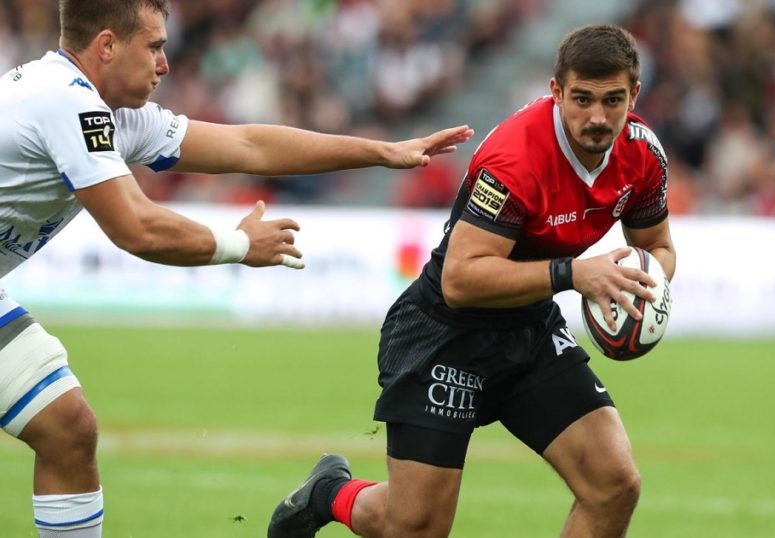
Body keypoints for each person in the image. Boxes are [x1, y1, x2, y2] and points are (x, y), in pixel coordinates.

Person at [0, 1, 473, 536]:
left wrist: (381, 151)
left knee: (68, 428)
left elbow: (248, 145)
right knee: (66, 426)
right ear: (107, 45)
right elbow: (137, 227)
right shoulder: (65, 102)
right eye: (154, 47)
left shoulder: (108, 113)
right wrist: (239, 244)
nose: (165, 65)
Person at [269, 24, 676, 538]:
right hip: (446, 335)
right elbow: (460, 281)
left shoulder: (642, 154)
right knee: (415, 526)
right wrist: (573, 274)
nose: (597, 116)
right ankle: (328, 492)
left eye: (613, 100)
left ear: (634, 95)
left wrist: (641, 288)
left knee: (614, 484)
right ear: (556, 91)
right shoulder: (517, 158)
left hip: (529, 329)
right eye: (582, 99)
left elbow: (658, 247)